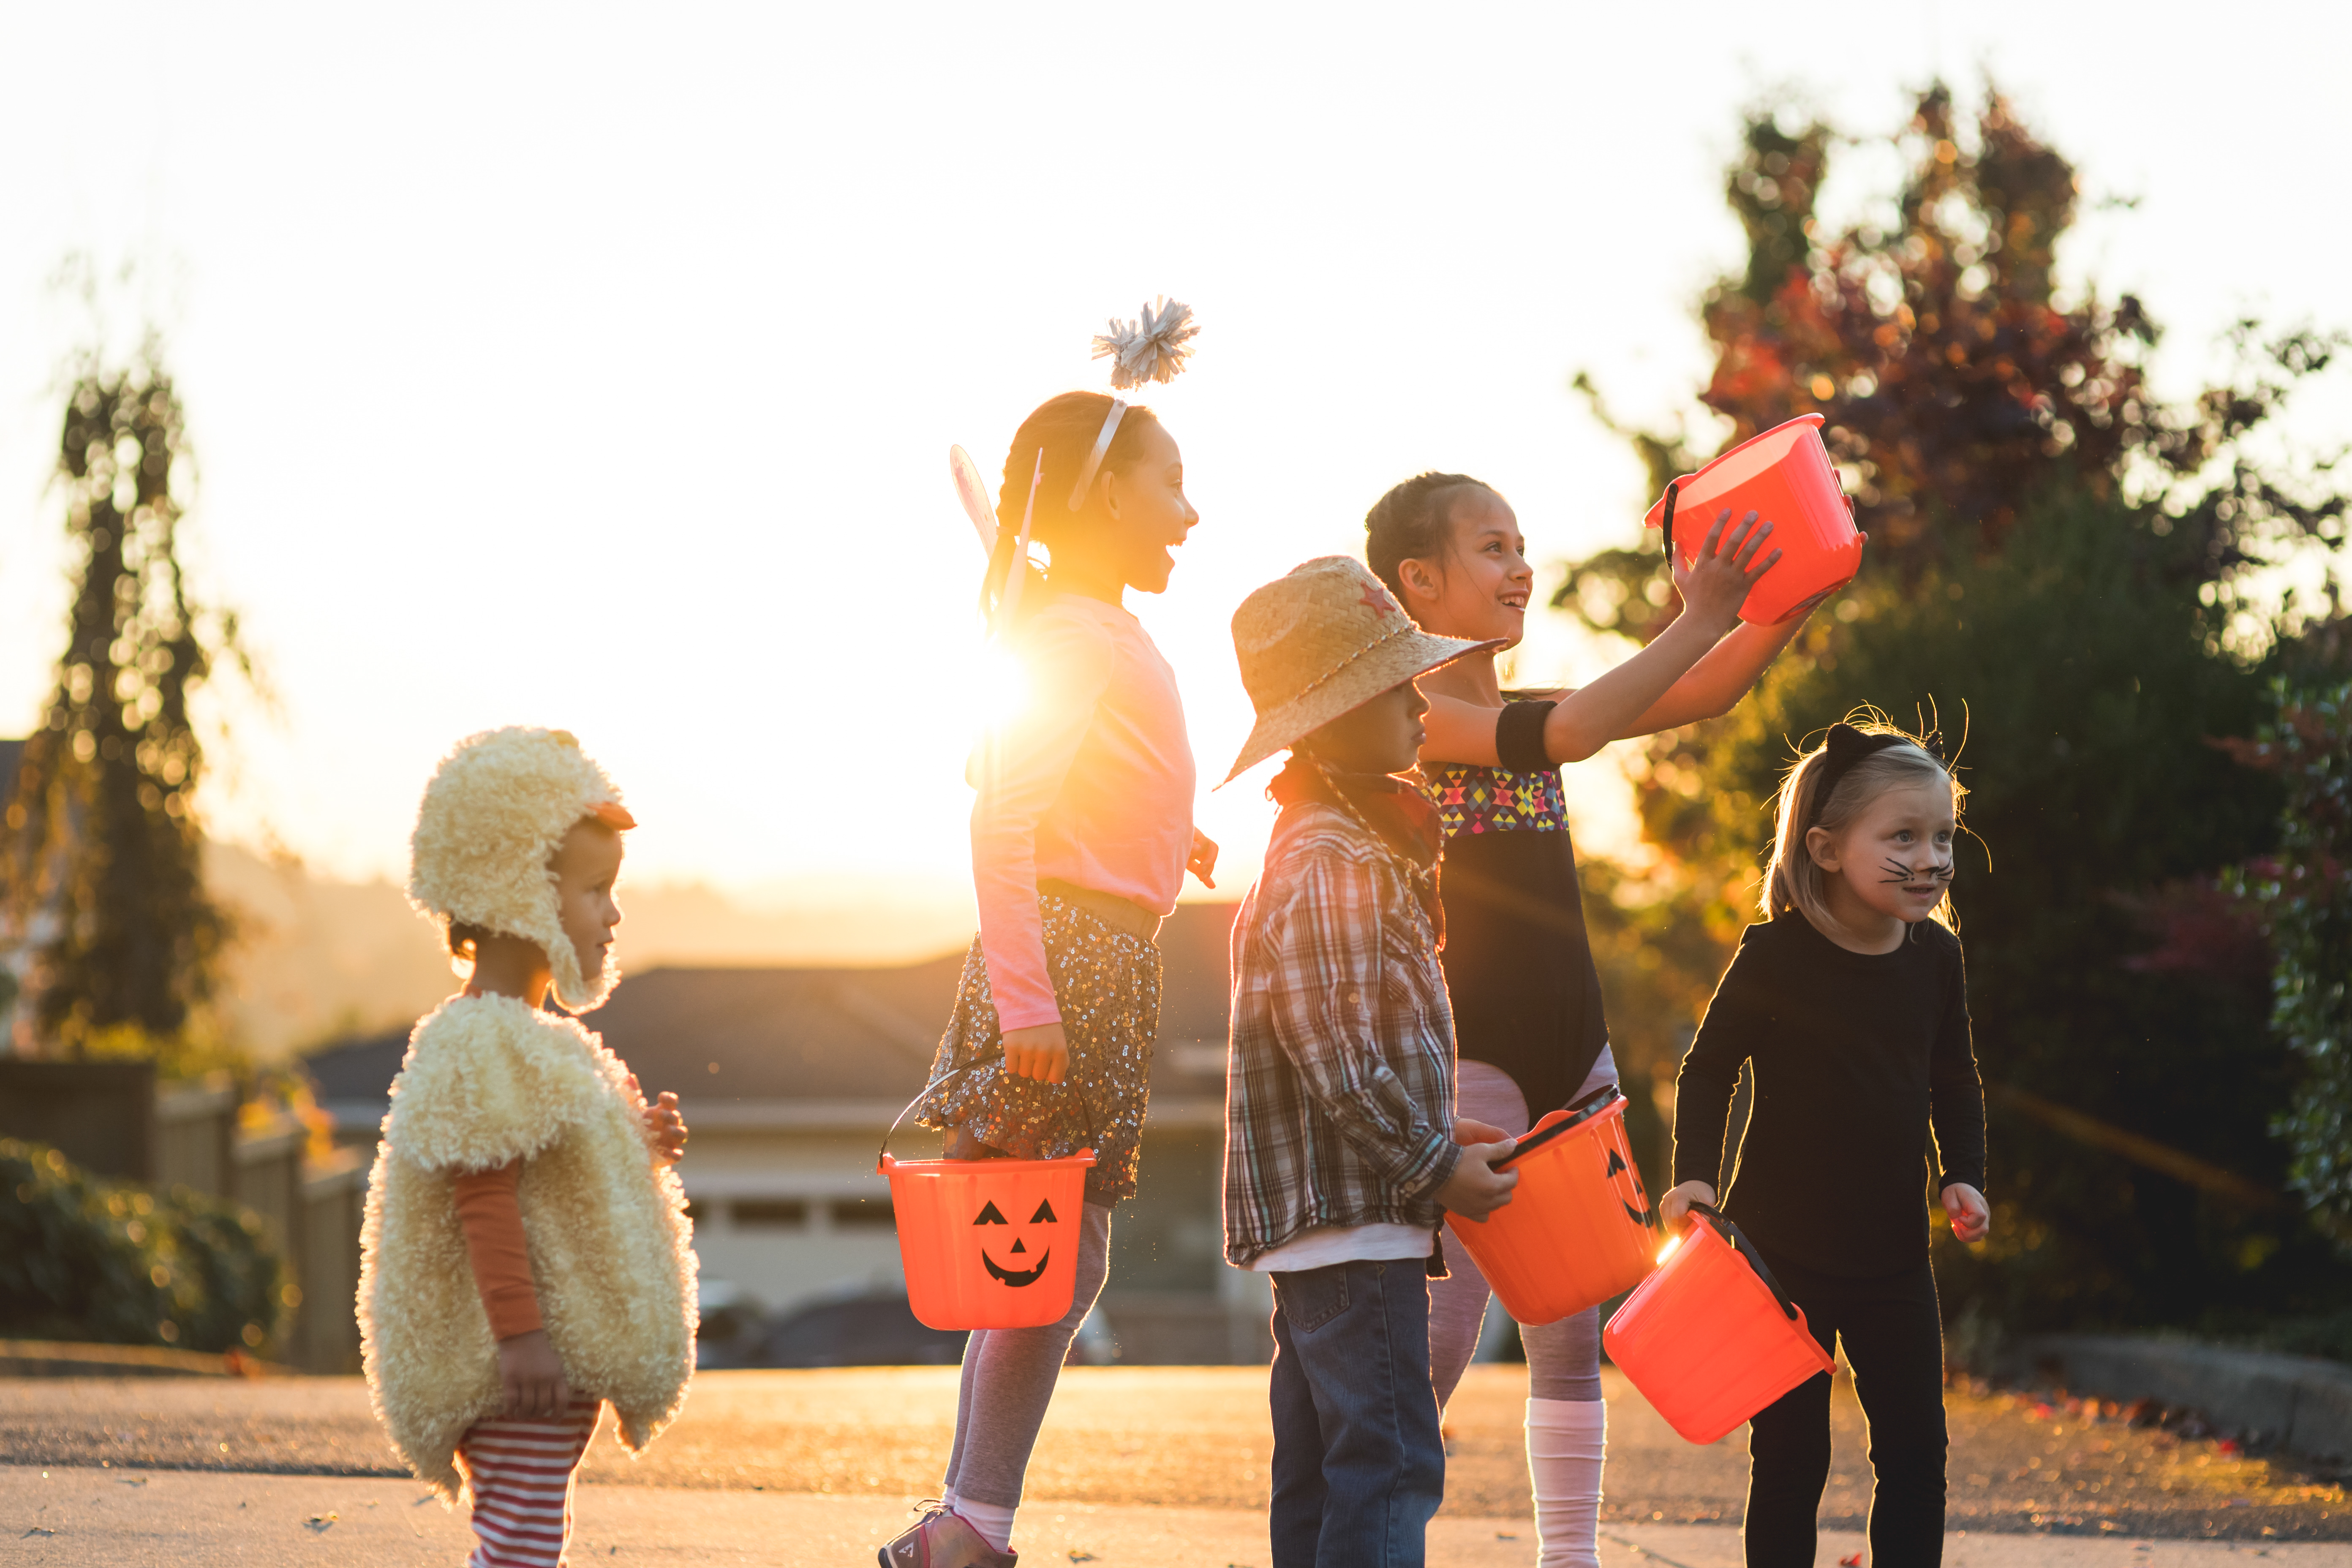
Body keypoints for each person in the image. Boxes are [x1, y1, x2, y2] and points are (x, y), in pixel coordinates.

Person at [1366, 471, 1802, 1568]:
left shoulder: (1529, 712)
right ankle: (1364, 1542)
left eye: (1522, 546)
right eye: (1491, 548)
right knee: (1440, 1341)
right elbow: (1571, 734)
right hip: (1468, 1065)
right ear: (1418, 580)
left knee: (1569, 1337)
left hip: (1574, 1053)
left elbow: (1705, 696)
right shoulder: (1413, 725)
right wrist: (1696, 617)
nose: (1521, 567)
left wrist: (1787, 597)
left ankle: (1572, 1558)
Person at [888, 357, 1218, 1567]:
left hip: (1105, 959)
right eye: (1170, 484)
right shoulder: (1078, 636)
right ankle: (969, 1523)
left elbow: (1094, 784)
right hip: (1067, 970)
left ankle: (965, 1520)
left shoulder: (1093, 631)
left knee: (1052, 1259)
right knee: (1049, 1258)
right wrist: (1029, 1003)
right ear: (1105, 501)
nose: (1192, 512)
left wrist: (1169, 836)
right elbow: (1003, 819)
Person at [1221, 554, 1523, 1568]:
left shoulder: (1327, 842)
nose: (1420, 705)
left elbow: (1349, 1043)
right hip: (1357, 1227)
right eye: (1392, 686)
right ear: (1329, 716)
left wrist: (1440, 1134)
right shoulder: (1335, 859)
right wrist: (1433, 1164)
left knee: (1321, 1470)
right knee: (1390, 1460)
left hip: (1330, 1227)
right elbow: (1340, 1056)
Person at [358, 726, 696, 1568]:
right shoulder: (481, 1042)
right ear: (518, 894)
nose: (614, 913)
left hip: (537, 1367)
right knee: (520, 1545)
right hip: (513, 1370)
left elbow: (556, 1173)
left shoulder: (531, 1041)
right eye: (595, 890)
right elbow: (484, 1195)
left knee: (526, 1538)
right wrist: (520, 1339)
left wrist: (638, 1142)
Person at [1659, 718, 1990, 1568]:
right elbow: (1709, 1067)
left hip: (1892, 1259)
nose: (1931, 857)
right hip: (1781, 1259)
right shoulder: (1777, 955)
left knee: (1917, 1455)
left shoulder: (1936, 958)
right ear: (1828, 847)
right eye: (1904, 836)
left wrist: (1965, 1174)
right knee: (1791, 1460)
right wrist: (1692, 1177)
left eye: (1943, 836)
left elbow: (1954, 1079)